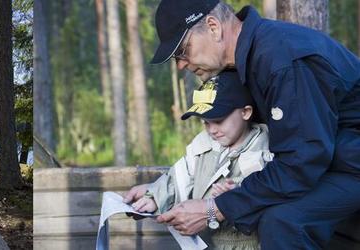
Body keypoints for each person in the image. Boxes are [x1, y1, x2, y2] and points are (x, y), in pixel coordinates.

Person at [132, 1, 360, 248]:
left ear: (213, 27)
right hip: (329, 161)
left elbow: (302, 160)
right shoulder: (245, 62)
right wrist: (158, 193)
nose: (180, 65)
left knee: (282, 222)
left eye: (183, 50)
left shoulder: (280, 60)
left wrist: (214, 209)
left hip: (349, 165)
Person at [126, 71, 269, 249]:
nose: (212, 130)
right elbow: (179, 177)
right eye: (206, 122)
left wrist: (238, 192)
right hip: (205, 242)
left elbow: (268, 193)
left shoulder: (262, 151)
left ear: (246, 112)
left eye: (218, 120)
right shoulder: (203, 145)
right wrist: (155, 196)